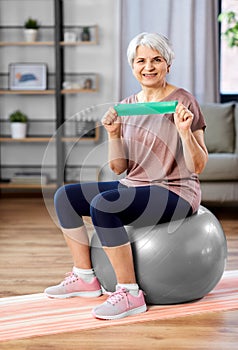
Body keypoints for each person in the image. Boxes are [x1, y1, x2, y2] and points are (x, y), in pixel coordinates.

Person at [44, 32, 208, 320]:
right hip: (136, 184)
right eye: (141, 60)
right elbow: (119, 169)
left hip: (177, 191)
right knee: (65, 197)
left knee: (105, 206)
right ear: (132, 66)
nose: (149, 66)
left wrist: (184, 132)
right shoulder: (128, 105)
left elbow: (198, 166)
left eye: (157, 59)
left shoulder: (184, 101)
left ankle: (130, 293)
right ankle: (85, 277)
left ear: (168, 64)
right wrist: (114, 133)